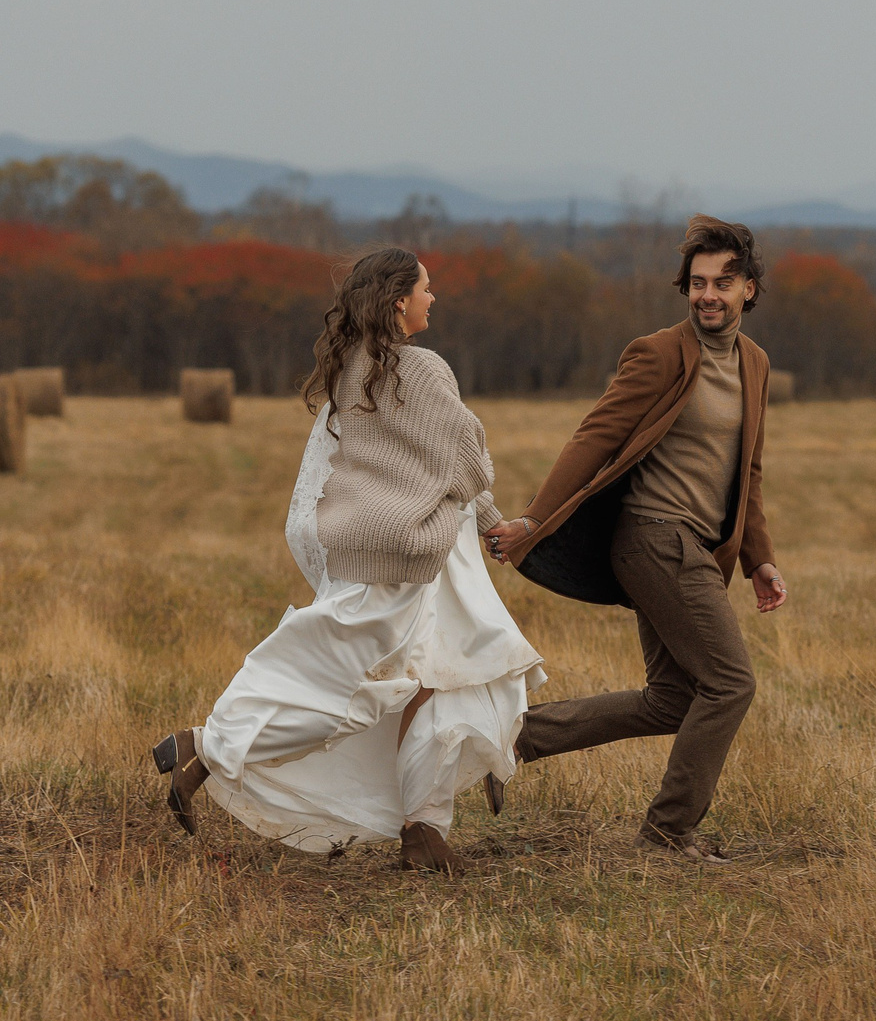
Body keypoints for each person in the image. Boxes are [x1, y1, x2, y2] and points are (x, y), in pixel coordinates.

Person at [151, 248, 545, 874]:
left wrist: (487, 516)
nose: (432, 298)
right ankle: (206, 745)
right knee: (362, 689)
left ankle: (424, 828)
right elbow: (464, 463)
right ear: (398, 301)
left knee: (426, 679)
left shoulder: (352, 364)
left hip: (371, 545)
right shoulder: (421, 369)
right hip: (398, 553)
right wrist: (498, 517)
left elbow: (430, 467)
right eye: (425, 288)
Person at [483, 216, 787, 862]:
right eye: (698, 283)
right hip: (654, 538)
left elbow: (748, 469)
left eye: (723, 282)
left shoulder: (754, 364)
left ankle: (511, 738)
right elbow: (594, 437)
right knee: (731, 685)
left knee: (675, 699)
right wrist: (535, 519)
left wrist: (760, 559)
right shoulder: (659, 354)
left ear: (749, 290)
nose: (708, 294)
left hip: (698, 549)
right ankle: (667, 832)